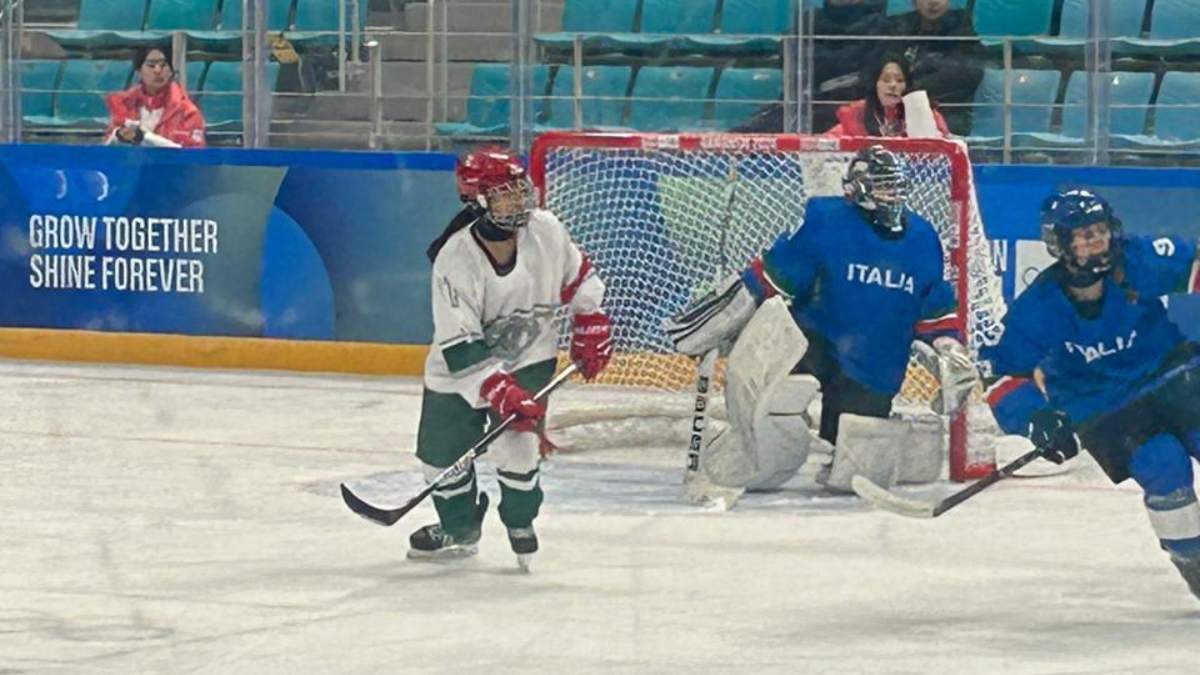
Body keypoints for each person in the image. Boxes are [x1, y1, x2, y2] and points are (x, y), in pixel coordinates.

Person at [665, 146, 975, 497]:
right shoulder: (828, 221)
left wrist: (949, 349)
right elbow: (772, 278)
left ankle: (841, 439)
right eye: (883, 186)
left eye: (897, 186)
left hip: (874, 362)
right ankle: (757, 446)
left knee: (856, 474)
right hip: (813, 342)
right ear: (858, 188)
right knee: (774, 399)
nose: (893, 195)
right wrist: (724, 316)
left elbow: (934, 308)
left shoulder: (923, 238)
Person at [981, 189, 1200, 601]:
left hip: (1171, 375)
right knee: (1163, 466)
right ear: (1059, 244)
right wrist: (1036, 418)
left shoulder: (1137, 258)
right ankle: (1195, 563)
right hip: (1105, 406)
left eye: (1098, 232)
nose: (1094, 242)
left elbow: (1194, 264)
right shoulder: (1039, 305)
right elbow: (1001, 374)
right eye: (1081, 236)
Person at [410, 148, 612, 569]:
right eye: (504, 195)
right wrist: (497, 388)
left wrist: (590, 319)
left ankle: (520, 521)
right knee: (439, 457)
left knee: (518, 445)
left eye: (520, 191)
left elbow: (579, 276)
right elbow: (460, 343)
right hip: (460, 371)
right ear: (476, 201)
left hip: (529, 358)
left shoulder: (546, 230)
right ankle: (459, 527)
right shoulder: (455, 260)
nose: (518, 202)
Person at [888, 0, 984, 136]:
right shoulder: (899, 26)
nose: (933, 2)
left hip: (948, 116)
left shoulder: (961, 27)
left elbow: (970, 72)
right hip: (899, 113)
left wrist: (914, 88)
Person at [824, 52, 950, 138]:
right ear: (875, 84)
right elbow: (829, 141)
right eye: (886, 80)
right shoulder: (857, 113)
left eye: (899, 80)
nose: (893, 85)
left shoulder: (923, 112)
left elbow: (942, 146)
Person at [104, 46, 206, 149]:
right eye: (151, 65)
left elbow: (194, 153)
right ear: (139, 71)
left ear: (171, 71)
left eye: (163, 65)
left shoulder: (188, 112)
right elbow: (108, 149)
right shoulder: (124, 105)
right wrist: (118, 136)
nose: (158, 70)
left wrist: (143, 137)